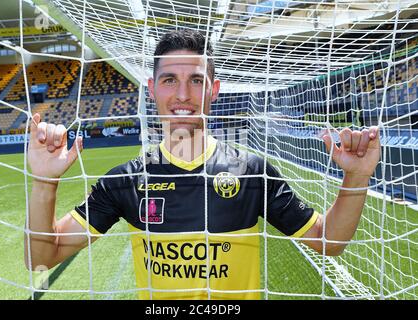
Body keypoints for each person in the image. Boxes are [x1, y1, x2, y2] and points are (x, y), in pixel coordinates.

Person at [25, 29, 381, 299]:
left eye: (196, 80)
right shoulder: (124, 181)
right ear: (151, 89)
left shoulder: (252, 172)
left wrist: (356, 176)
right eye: (170, 80)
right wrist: (44, 181)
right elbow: (40, 257)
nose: (183, 95)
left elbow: (328, 241)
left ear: (213, 89)